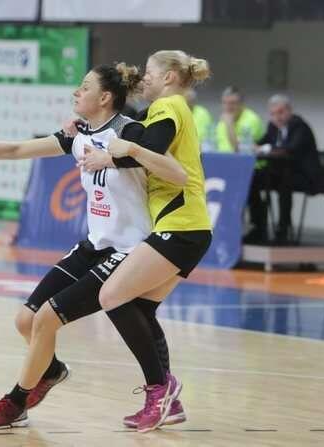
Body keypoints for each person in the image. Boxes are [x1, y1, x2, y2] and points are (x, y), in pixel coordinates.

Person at [0, 62, 188, 431]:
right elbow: (18, 148)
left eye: (84, 87)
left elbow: (172, 168)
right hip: (95, 245)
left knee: (46, 319)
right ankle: (50, 372)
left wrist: (125, 153)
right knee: (26, 320)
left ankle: (15, 402)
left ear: (105, 97)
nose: (76, 92)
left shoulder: (131, 132)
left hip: (131, 249)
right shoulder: (79, 135)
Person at [87, 50, 212, 432]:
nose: (144, 79)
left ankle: (161, 389)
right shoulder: (165, 109)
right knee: (139, 307)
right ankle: (167, 399)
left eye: (151, 73)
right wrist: (88, 128)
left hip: (181, 225)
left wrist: (111, 157)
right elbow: (132, 132)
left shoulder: (169, 106)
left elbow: (145, 149)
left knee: (111, 296)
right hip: (187, 227)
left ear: (170, 76)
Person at [249, 94, 324, 244]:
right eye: (273, 114)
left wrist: (267, 148)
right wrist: (253, 146)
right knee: (252, 179)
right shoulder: (273, 127)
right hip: (280, 173)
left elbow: (290, 150)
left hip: (304, 176)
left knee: (285, 182)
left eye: (281, 112)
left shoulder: (299, 126)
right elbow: (259, 145)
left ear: (289, 111)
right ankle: (258, 228)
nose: (277, 117)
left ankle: (283, 231)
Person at [215, 86, 264, 153]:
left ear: (242, 104)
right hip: (221, 158)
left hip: (243, 159)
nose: (228, 107)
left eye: (232, 103)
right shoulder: (223, 121)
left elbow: (239, 150)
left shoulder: (251, 120)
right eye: (224, 103)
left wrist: (229, 125)